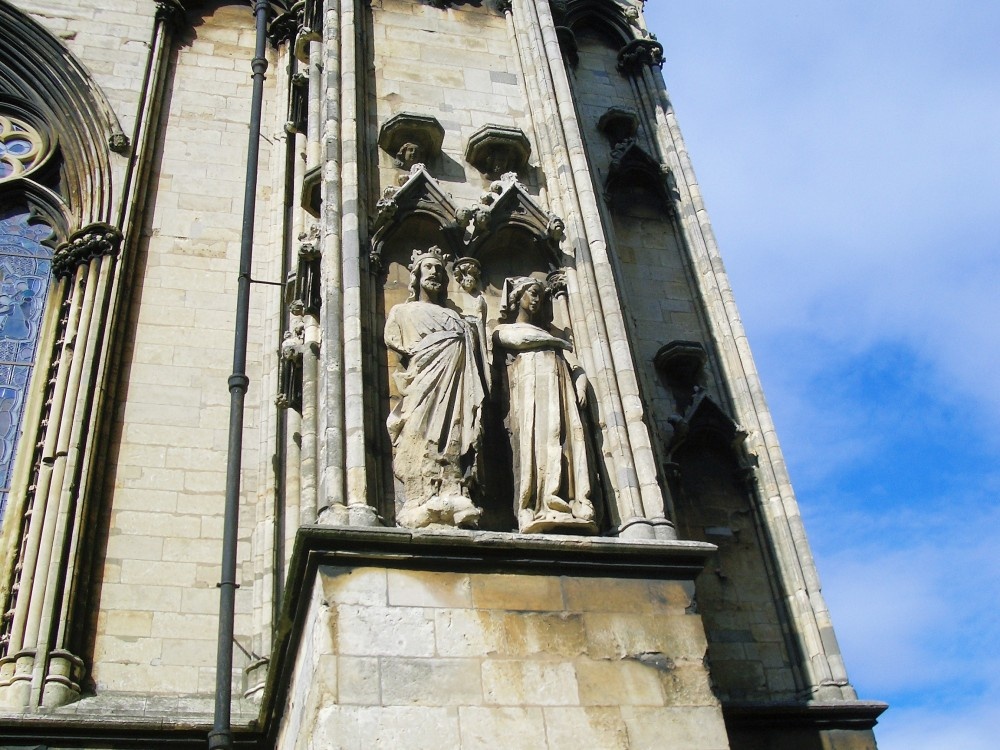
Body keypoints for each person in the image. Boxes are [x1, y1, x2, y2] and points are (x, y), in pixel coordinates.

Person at [383, 247, 486, 528]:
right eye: (428, 268)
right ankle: (419, 498)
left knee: (455, 434)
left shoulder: (454, 317)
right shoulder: (401, 313)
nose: (435, 274)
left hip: (456, 385)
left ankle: (455, 491)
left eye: (439, 270)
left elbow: (472, 348)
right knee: (418, 433)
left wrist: (477, 321)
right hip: (423, 382)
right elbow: (395, 340)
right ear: (416, 275)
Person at [493, 276, 596, 534]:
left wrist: (580, 381)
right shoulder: (507, 330)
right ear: (518, 298)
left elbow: (575, 365)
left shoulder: (549, 334)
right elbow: (516, 342)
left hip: (561, 389)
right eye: (532, 293)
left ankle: (572, 500)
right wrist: (557, 343)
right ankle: (538, 503)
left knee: (565, 441)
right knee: (536, 443)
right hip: (530, 391)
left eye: (540, 293)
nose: (537, 298)